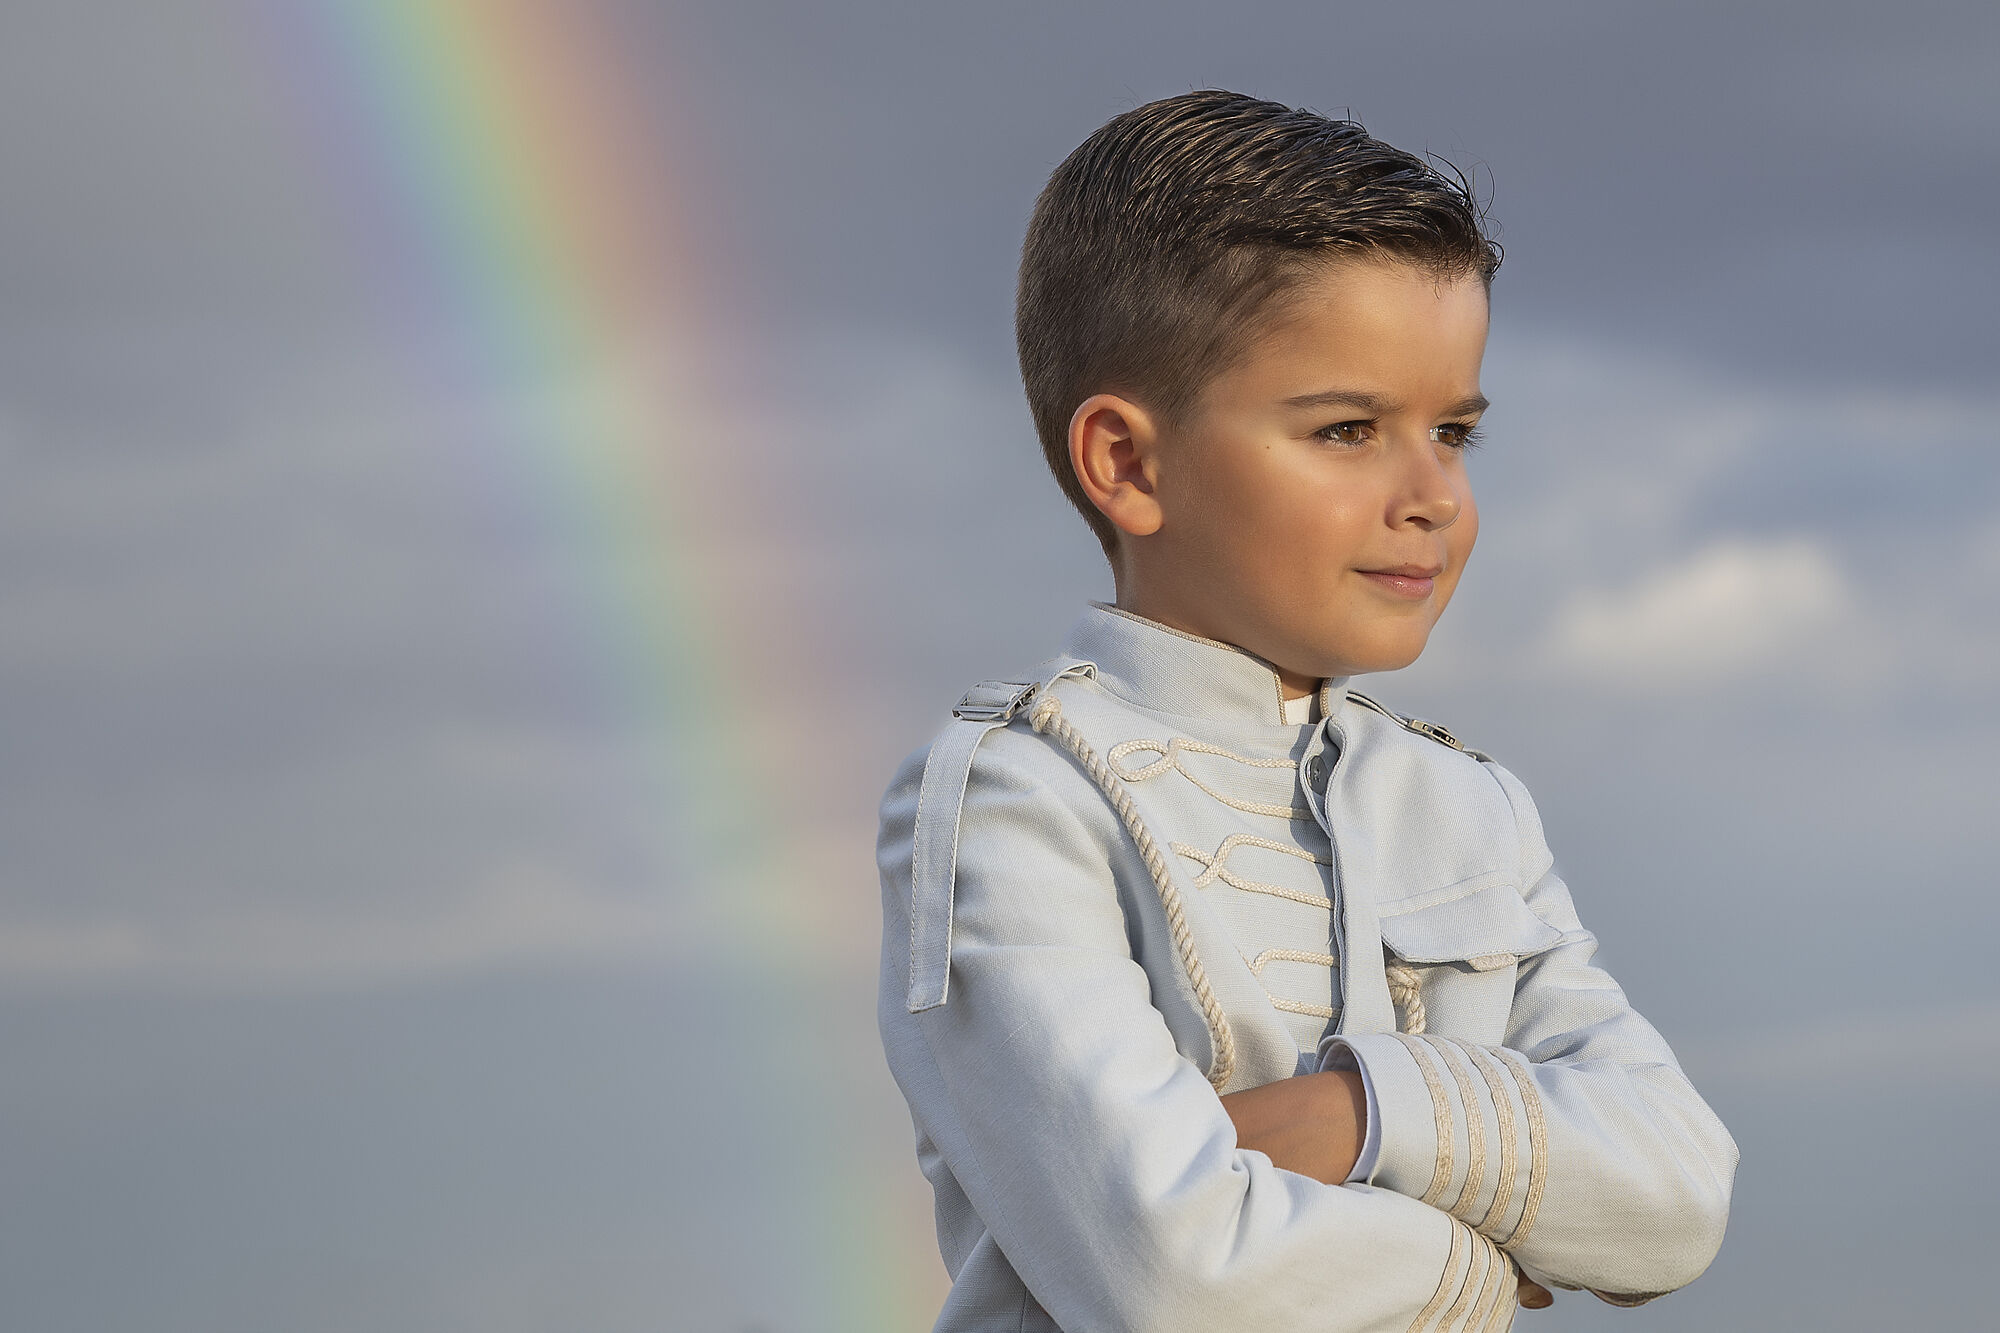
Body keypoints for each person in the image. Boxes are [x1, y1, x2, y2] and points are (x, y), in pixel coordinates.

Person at [874, 88, 1737, 1333]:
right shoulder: (1014, 801)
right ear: (1125, 462)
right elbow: (1174, 1278)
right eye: (1346, 429)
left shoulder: (1465, 808)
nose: (1430, 493)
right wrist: (1487, 1264)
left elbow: (1677, 1194)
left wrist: (1367, 1112)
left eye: (1452, 431)